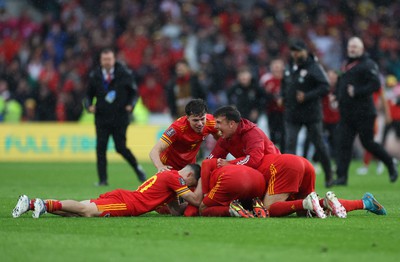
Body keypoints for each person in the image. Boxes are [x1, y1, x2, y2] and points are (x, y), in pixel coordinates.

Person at [12, 164, 202, 218]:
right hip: (128, 203)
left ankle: (30, 203)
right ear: (189, 175)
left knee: (80, 210)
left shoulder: (169, 180)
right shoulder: (175, 178)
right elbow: (194, 200)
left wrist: (181, 205)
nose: (189, 186)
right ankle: (43, 204)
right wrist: (202, 192)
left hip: (126, 197)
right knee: (86, 211)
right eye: (192, 182)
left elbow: (176, 211)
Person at [232, 153, 387, 218]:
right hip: (303, 163)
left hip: (287, 166)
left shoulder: (235, 173)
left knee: (268, 209)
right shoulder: (249, 157)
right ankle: (365, 202)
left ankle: (307, 202)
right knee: (310, 211)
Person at [334, 37, 398, 185]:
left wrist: (357, 91)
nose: (352, 49)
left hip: (364, 113)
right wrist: (337, 97)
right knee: (344, 144)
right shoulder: (346, 64)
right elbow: (342, 84)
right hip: (347, 113)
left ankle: (390, 163)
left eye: (355, 47)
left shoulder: (368, 64)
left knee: (367, 143)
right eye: (350, 46)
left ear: (362, 49)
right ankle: (342, 177)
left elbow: (376, 84)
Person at [85, 47, 147, 186]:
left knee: (121, 147)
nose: (107, 62)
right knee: (101, 148)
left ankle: (138, 169)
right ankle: (103, 180)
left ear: (114, 60)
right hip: (102, 118)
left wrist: (131, 105)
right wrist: (89, 106)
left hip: (120, 118)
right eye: (104, 59)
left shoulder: (124, 74)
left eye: (109, 59)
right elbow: (88, 95)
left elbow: (134, 93)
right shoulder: (95, 75)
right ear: (101, 60)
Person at [280, 39, 334, 188]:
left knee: (319, 145)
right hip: (292, 113)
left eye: (298, 51)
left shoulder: (314, 67)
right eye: (293, 51)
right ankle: (288, 179)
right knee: (290, 145)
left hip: (311, 113)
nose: (295, 54)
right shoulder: (289, 66)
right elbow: (284, 84)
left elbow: (325, 86)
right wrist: (281, 96)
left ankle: (329, 174)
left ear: (305, 52)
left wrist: (307, 95)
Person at [149, 99, 219, 173]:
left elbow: (221, 139)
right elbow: (154, 151)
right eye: (195, 120)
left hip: (189, 166)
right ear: (187, 118)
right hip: (170, 165)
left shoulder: (211, 121)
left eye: (202, 119)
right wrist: (160, 167)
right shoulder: (177, 128)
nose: (200, 124)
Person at [207, 105, 280, 170]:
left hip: (276, 169)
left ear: (231, 124)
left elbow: (254, 161)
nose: (215, 126)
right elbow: (211, 160)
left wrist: (230, 164)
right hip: (259, 172)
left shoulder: (252, 134)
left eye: (218, 122)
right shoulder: (226, 137)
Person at [198, 159, 267, 218]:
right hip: (259, 178)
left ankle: (232, 210)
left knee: (203, 209)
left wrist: (205, 192)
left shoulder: (208, 177)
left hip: (232, 179)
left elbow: (205, 162)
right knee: (241, 201)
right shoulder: (223, 164)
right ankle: (253, 207)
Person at [259, 58, 286, 151]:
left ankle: (284, 156)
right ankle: (274, 156)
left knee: (284, 136)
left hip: (285, 112)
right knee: (272, 135)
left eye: (279, 66)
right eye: (275, 66)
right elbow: (261, 95)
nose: (277, 69)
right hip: (272, 111)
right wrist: (269, 94)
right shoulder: (266, 80)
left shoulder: (287, 79)